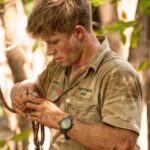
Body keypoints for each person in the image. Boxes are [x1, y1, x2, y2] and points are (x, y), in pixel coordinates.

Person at [10, 0, 142, 149]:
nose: (49, 51)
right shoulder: (60, 65)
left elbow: (122, 143)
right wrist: (19, 89)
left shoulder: (117, 74)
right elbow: (37, 87)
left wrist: (61, 120)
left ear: (78, 32)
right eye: (46, 43)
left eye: (54, 42)